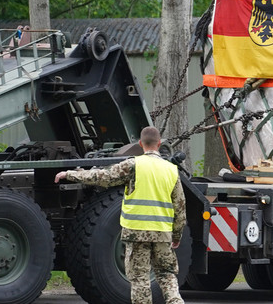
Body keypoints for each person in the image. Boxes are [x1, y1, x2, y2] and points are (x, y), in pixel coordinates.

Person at [55, 126, 185, 304]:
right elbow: (180, 208)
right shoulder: (171, 170)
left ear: (140, 144)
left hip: (137, 232)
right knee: (167, 275)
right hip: (162, 233)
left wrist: (70, 174)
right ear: (159, 143)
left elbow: (103, 177)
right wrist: (176, 235)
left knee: (140, 279)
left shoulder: (133, 165)